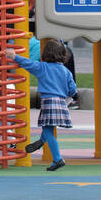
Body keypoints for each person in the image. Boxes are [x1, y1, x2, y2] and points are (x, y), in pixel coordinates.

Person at [14, 38, 77, 171]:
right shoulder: (66, 71)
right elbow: (73, 90)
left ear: (45, 53)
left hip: (48, 101)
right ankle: (42, 142)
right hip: (61, 102)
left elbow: (28, 63)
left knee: (48, 130)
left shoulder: (43, 67)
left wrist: (14, 56)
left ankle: (58, 159)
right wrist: (66, 94)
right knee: (49, 128)